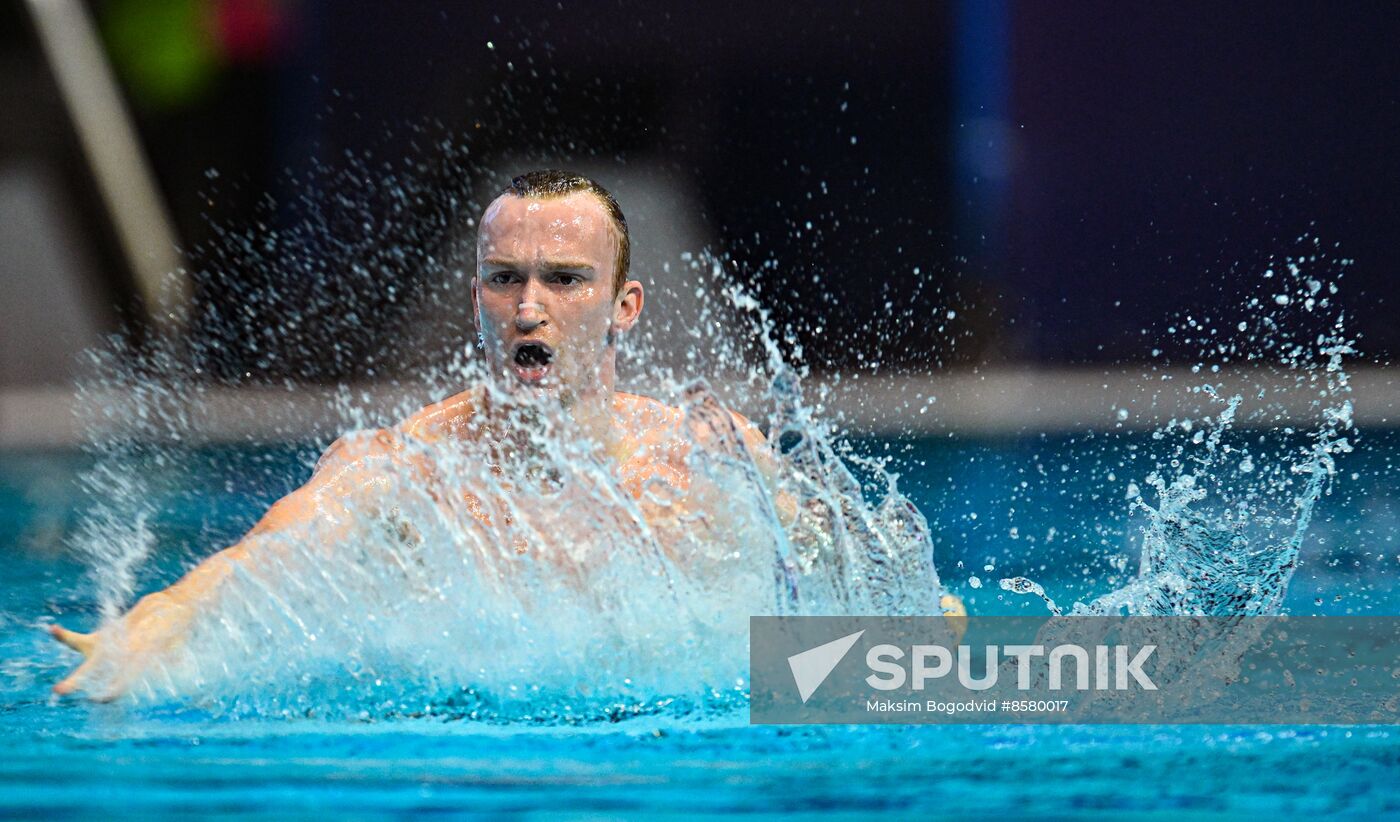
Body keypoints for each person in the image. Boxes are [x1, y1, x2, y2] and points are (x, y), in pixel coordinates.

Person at [48, 170, 776, 699]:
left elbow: (842, 621)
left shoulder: (704, 454)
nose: (528, 308)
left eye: (563, 278)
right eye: (503, 278)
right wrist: (157, 624)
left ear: (626, 306)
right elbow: (259, 563)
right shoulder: (409, 467)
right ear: (476, 297)